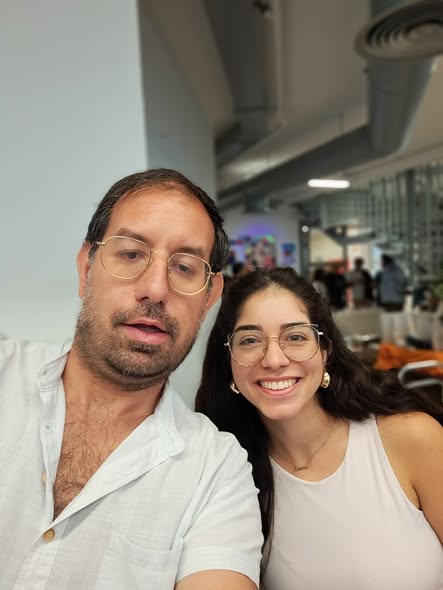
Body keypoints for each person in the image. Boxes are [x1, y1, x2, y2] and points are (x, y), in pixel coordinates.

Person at [0, 169, 263, 590]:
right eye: (130, 254)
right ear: (86, 268)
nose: (155, 289)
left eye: (184, 267)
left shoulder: (216, 471)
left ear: (209, 298)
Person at [196, 267, 443, 590]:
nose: (274, 359)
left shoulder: (411, 437)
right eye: (250, 340)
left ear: (325, 351)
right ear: (228, 360)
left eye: (295, 337)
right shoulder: (231, 479)